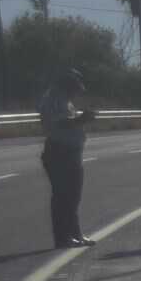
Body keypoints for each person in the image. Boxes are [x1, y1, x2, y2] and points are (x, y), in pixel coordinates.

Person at [38, 68, 97, 249]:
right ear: (67, 85)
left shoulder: (65, 100)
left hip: (70, 152)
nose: (77, 92)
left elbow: (67, 120)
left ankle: (75, 234)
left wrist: (81, 119)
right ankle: (63, 237)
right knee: (63, 196)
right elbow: (59, 123)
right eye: (75, 88)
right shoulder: (53, 99)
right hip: (59, 153)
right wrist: (82, 120)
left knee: (72, 196)